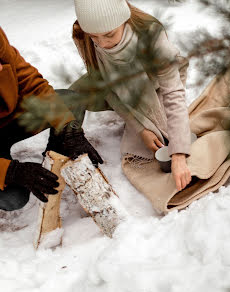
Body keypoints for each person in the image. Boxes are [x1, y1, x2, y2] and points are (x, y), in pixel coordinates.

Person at [71, 0, 192, 192]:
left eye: (109, 34)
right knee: (70, 96)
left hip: (155, 85)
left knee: (163, 132)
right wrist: (140, 128)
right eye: (94, 37)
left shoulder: (151, 35)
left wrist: (178, 155)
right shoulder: (84, 34)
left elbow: (173, 92)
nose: (102, 43)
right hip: (118, 84)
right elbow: (106, 87)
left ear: (124, 20)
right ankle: (70, 143)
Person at [0, 27, 103, 211]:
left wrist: (69, 131)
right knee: (14, 199)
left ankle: (55, 160)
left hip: (9, 121)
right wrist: (11, 172)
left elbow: (33, 83)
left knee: (70, 102)